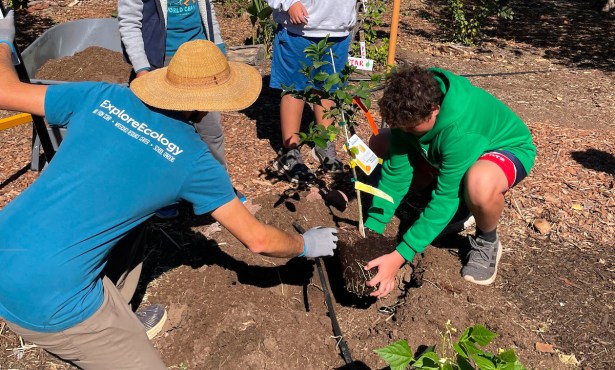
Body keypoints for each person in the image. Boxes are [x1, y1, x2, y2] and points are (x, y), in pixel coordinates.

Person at [0, 13, 337, 369]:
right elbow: (257, 241)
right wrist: (304, 245)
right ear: (209, 101)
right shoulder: (193, 159)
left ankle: (118, 315)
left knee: (135, 224)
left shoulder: (100, 95)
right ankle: (102, 334)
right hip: (49, 297)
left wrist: (5, 42)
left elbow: (5, 91)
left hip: (8, 239)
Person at [363, 65, 536, 298]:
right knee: (381, 142)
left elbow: (445, 197)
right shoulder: (412, 106)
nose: (406, 130)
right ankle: (456, 209)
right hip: (451, 149)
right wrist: (373, 228)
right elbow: (396, 175)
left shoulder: (461, 129)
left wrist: (400, 256)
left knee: (479, 184)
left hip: (505, 149)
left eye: (411, 127)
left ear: (435, 109)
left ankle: (487, 240)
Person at [118, 0, 242, 217]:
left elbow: (207, 8)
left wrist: (218, 45)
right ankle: (164, 194)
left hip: (200, 57)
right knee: (164, 133)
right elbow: (129, 22)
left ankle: (219, 190)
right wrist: (142, 67)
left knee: (210, 129)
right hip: (161, 60)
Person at [267, 0, 357, 183]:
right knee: (295, 91)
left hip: (338, 30)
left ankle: (323, 143)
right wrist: (288, 3)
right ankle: (289, 151)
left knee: (328, 89)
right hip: (298, 31)